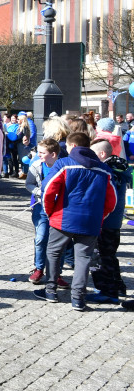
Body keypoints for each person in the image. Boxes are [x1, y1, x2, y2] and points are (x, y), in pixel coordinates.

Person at [36, 132, 117, 311]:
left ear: (71, 146)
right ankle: (78, 299)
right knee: (84, 259)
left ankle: (51, 291)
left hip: (63, 217)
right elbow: (112, 200)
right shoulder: (104, 170)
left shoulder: (64, 164)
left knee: (54, 253)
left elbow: (47, 190)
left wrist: (50, 212)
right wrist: (100, 216)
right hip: (91, 221)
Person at [88, 139, 130, 304]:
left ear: (102, 154)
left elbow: (105, 199)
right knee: (109, 256)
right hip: (114, 221)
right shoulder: (118, 168)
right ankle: (117, 286)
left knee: (99, 257)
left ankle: (107, 291)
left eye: (93, 154)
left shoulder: (107, 171)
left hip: (105, 221)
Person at [25, 139, 59, 284]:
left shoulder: (63, 166)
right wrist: (40, 192)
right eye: (38, 152)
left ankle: (57, 274)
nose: (38, 155)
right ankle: (39, 268)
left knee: (59, 243)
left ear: (53, 154)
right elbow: (29, 184)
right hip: (41, 207)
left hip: (59, 209)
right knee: (40, 238)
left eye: (42, 152)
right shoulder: (36, 165)